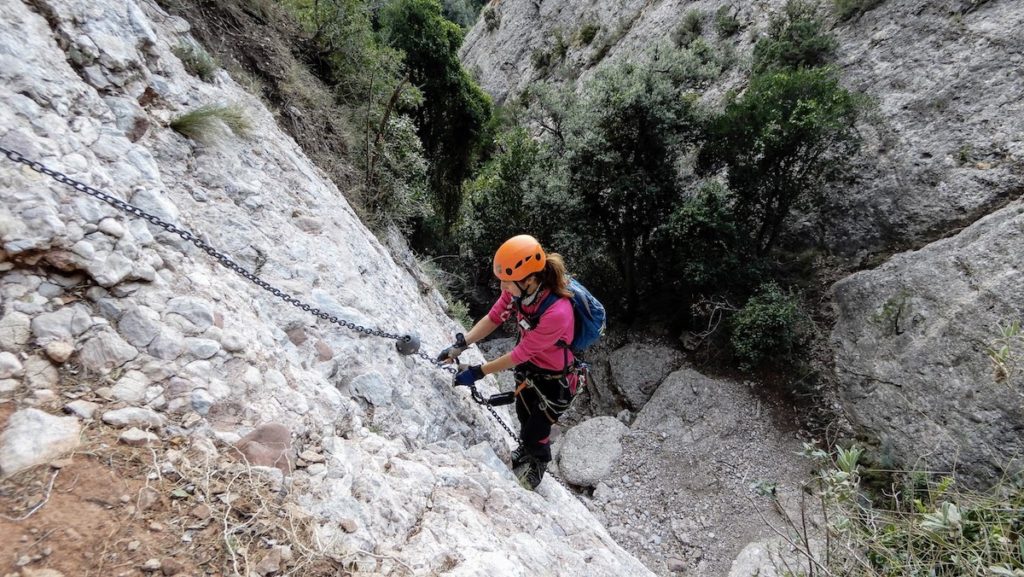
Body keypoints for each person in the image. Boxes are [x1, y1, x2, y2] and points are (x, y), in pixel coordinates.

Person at [436, 234, 578, 490]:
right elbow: (493, 318)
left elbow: (519, 353)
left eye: (508, 283)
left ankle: (538, 462)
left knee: (538, 426)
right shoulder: (518, 294)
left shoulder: (558, 312)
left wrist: (478, 372)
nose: (503, 288)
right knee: (524, 415)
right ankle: (526, 450)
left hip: (555, 379)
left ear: (531, 279)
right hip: (529, 370)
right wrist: (461, 344)